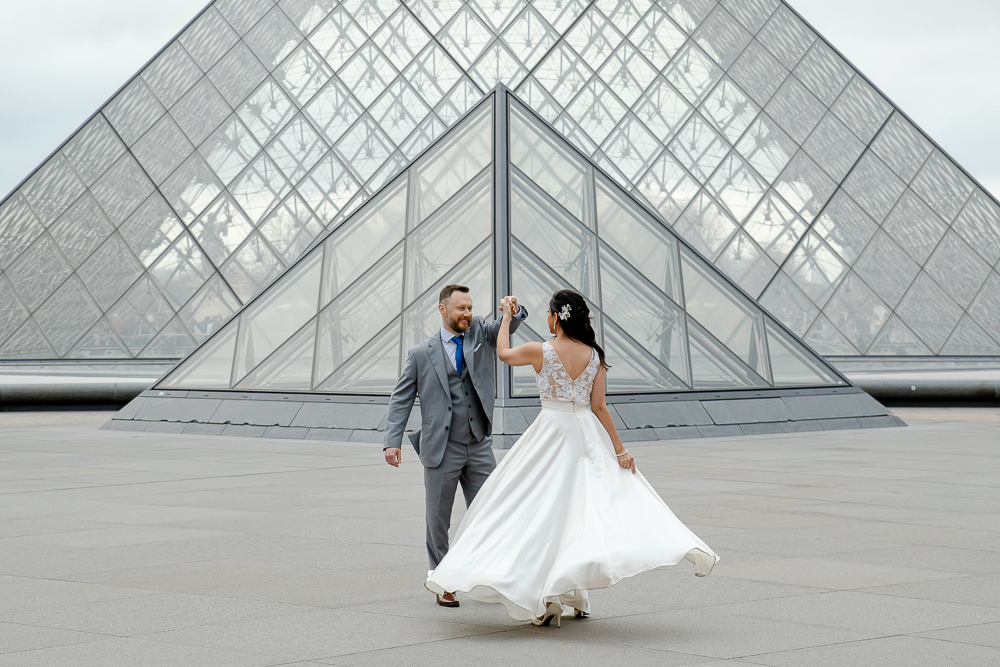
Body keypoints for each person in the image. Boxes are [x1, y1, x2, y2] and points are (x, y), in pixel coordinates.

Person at [425, 289, 718, 625]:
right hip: (587, 437)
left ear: (555, 317)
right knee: (580, 515)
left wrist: (506, 317)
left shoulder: (542, 350)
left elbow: (503, 353)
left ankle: (547, 596)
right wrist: (620, 449)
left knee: (540, 513)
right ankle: (574, 593)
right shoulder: (594, 354)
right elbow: (599, 407)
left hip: (551, 434)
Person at [383, 284, 526, 607]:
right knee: (438, 518)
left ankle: (492, 571)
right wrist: (392, 442)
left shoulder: (481, 334)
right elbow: (401, 398)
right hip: (441, 447)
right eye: (460, 308)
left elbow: (508, 325)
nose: (467, 313)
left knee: (492, 511)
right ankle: (441, 578)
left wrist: (512, 310)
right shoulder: (420, 354)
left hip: (478, 444)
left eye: (470, 307)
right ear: (442, 309)